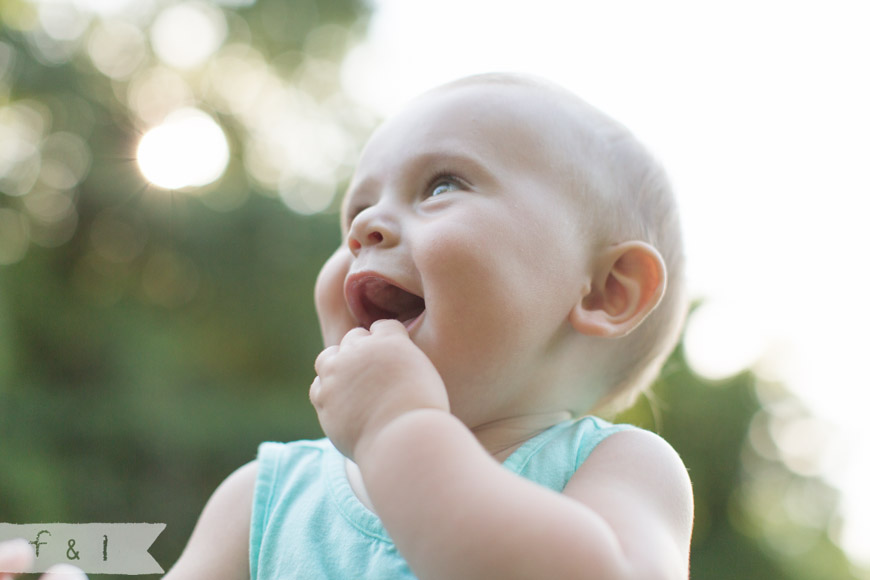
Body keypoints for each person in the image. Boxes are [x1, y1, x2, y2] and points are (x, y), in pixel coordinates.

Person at [3, 72, 692, 579]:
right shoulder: (264, 503)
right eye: (355, 211)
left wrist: (397, 429)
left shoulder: (619, 472)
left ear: (607, 290)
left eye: (442, 185)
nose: (365, 226)